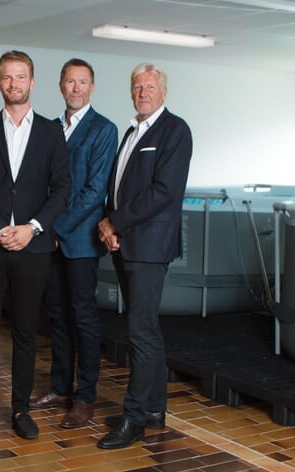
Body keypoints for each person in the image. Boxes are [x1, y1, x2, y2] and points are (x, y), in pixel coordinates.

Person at [0, 50, 71, 440]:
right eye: (7, 77)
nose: (14, 84)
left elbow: (62, 189)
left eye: (20, 77)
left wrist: (33, 228)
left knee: (25, 332)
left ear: (32, 82)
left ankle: (21, 409)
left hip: (33, 248)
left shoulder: (51, 132)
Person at [97, 63, 192, 449]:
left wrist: (114, 222)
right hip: (126, 244)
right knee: (147, 329)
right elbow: (122, 185)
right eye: (137, 86)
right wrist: (109, 224)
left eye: (150, 86)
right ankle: (154, 409)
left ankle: (134, 418)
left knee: (139, 331)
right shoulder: (131, 131)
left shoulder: (175, 130)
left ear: (164, 92)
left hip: (149, 247)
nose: (143, 91)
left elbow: (163, 191)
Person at [30, 58, 117, 428]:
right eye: (70, 81)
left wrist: (53, 227)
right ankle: (60, 387)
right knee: (57, 316)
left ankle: (85, 397)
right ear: (61, 86)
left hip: (77, 239)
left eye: (83, 82)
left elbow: (94, 190)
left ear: (92, 87)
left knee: (83, 318)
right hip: (48, 240)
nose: (76, 88)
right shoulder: (48, 128)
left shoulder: (104, 130)